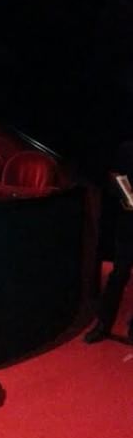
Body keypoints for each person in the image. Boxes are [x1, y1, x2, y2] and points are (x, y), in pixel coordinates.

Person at [84, 141, 133, 344]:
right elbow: (115, 176)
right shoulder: (128, 148)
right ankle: (103, 325)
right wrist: (129, 198)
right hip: (129, 223)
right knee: (118, 275)